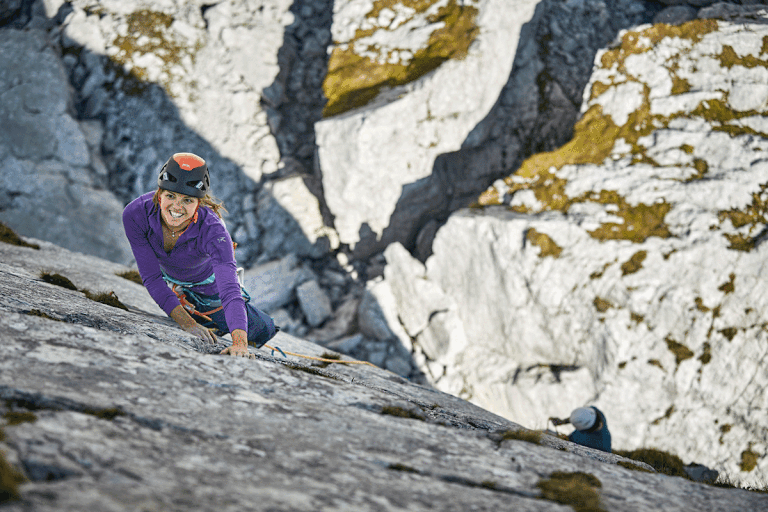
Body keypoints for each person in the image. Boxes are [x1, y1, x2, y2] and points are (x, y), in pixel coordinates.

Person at [122, 152, 277, 358]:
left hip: (208, 285)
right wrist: (188, 324)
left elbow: (229, 290)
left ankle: (252, 326)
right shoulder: (136, 214)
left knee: (261, 328)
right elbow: (152, 278)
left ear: (199, 203)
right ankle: (196, 311)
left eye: (187, 199)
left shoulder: (213, 230)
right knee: (200, 320)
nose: (177, 206)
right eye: (170, 196)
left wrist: (240, 343)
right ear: (159, 195)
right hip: (171, 279)